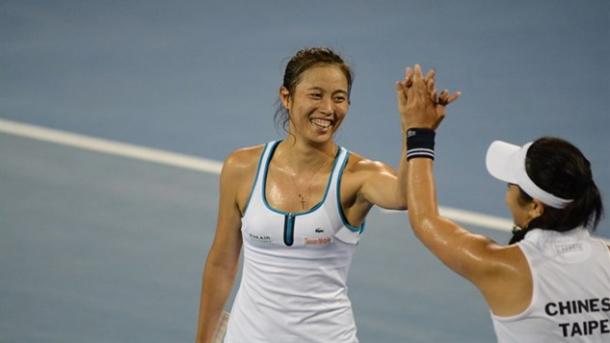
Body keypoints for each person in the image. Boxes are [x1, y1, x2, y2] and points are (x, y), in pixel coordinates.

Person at [195, 47, 409, 343]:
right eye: (316, 95)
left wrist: (415, 132)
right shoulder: (241, 168)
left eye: (339, 97)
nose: (328, 109)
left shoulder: (359, 175)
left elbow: (405, 196)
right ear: (287, 97)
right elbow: (221, 263)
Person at [399, 64, 609, 342]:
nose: (506, 195)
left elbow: (424, 220)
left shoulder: (502, 266)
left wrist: (419, 131)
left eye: (510, 186)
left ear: (536, 206)